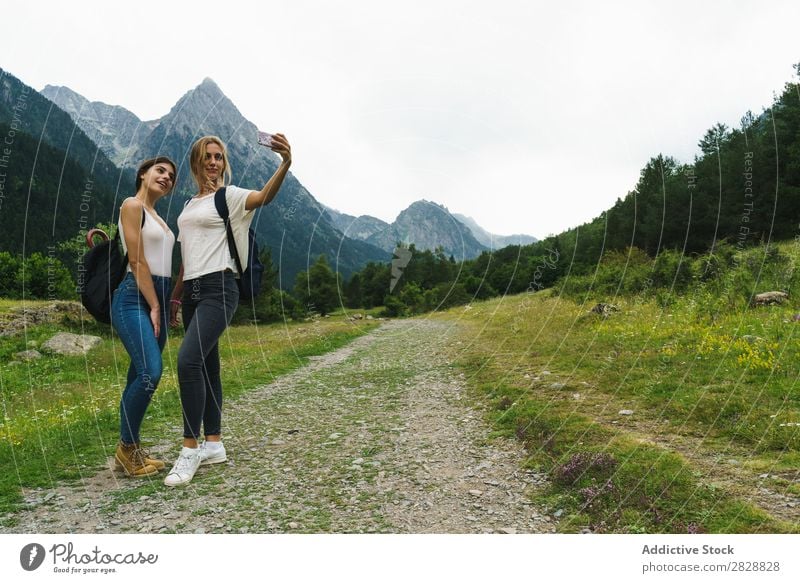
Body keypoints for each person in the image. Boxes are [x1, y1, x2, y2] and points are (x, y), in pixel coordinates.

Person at [164, 133, 292, 486]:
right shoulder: (188, 206)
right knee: (206, 366)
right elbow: (185, 258)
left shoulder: (230, 197)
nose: (213, 162)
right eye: (207, 156)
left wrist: (285, 163)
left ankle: (189, 450)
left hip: (221, 289)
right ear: (196, 161)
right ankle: (214, 444)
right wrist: (176, 299)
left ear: (224, 163)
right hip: (192, 290)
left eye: (219, 157)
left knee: (187, 361)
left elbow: (265, 197)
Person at [111, 156, 177, 477]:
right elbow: (137, 260)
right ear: (143, 173)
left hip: (159, 300)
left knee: (138, 376)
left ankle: (131, 448)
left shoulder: (159, 217)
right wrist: (154, 305)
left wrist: (168, 303)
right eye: (160, 171)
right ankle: (126, 448)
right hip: (134, 298)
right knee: (151, 371)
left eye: (171, 176)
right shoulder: (132, 206)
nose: (166, 177)